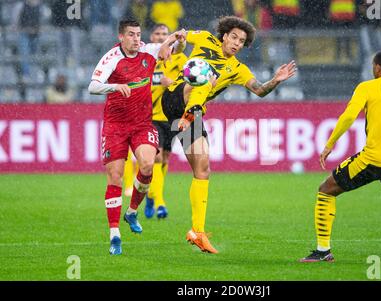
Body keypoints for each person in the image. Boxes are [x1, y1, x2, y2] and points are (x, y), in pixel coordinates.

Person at [161, 16, 297, 254]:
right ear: (224, 35)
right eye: (234, 37)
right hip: (175, 98)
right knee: (204, 75)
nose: (236, 43)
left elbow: (259, 90)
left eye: (242, 41)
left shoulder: (237, 69)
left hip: (190, 114)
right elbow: (181, 34)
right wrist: (168, 43)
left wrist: (275, 80)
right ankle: (192, 111)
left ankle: (197, 232)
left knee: (202, 168)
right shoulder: (204, 38)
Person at [300, 50, 381, 262]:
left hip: (373, 159)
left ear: (378, 67)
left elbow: (349, 116)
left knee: (326, 190)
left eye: (374, 67)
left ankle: (323, 251)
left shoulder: (368, 87)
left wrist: (330, 144)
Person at [88, 19, 186, 255]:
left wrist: (178, 38)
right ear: (121, 37)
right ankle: (114, 235)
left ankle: (132, 212)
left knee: (147, 166)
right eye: (131, 35)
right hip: (115, 126)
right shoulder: (111, 58)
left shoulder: (148, 50)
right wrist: (113, 87)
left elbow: (174, 46)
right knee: (115, 177)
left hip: (143, 123)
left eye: (138, 34)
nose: (136, 39)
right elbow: (93, 85)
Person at [123, 23, 188, 219]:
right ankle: (160, 202)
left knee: (165, 158)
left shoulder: (180, 58)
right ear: (151, 37)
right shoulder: (147, 59)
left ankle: (151, 194)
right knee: (157, 157)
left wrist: (174, 83)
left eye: (165, 34)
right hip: (149, 116)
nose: (161, 37)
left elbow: (188, 83)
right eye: (158, 34)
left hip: (171, 116)